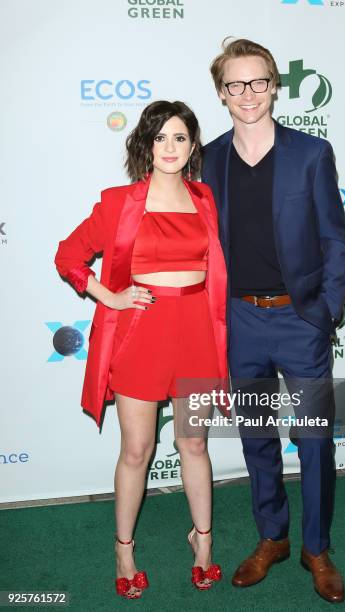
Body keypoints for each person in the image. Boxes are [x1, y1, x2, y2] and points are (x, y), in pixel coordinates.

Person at [55, 100, 227, 598]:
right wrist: (109, 295)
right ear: (144, 145)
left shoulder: (205, 199)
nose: (170, 147)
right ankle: (124, 548)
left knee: (194, 443)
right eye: (160, 137)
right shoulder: (118, 201)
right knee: (137, 450)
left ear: (193, 146)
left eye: (180, 137)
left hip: (196, 332)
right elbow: (68, 256)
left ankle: (203, 542)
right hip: (142, 333)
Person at [202, 39, 345, 603]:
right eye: (235, 84)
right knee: (256, 437)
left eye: (258, 81)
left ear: (274, 86)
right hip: (239, 322)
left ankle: (316, 546)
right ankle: (274, 537)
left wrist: (326, 311)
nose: (247, 94)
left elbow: (336, 241)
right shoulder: (208, 159)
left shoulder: (311, 154)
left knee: (313, 440)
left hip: (299, 321)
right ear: (221, 92)